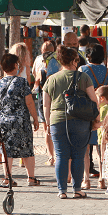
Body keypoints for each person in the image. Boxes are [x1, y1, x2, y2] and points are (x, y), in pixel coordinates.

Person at [43, 45, 99, 199]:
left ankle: (62, 191)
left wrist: (48, 124)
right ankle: (77, 189)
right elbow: (94, 100)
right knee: (78, 156)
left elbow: (46, 105)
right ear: (75, 60)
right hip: (80, 120)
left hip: (57, 120)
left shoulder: (52, 79)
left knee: (61, 155)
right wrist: (96, 120)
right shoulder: (84, 78)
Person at [0, 53, 40, 186]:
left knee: (7, 149)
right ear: (14, 65)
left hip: (4, 121)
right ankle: (31, 178)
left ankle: (8, 177)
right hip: (21, 120)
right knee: (27, 147)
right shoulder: (22, 82)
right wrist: (35, 119)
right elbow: (29, 102)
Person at [79, 43, 108, 189]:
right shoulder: (107, 71)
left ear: (88, 55)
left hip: (87, 111)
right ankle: (102, 180)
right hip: (103, 111)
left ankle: (86, 180)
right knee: (102, 147)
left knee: (86, 148)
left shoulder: (83, 69)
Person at [32, 40, 56, 166]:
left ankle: (51, 156)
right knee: (51, 127)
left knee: (48, 128)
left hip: (44, 95)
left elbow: (34, 74)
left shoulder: (40, 59)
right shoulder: (54, 60)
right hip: (50, 95)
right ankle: (53, 155)